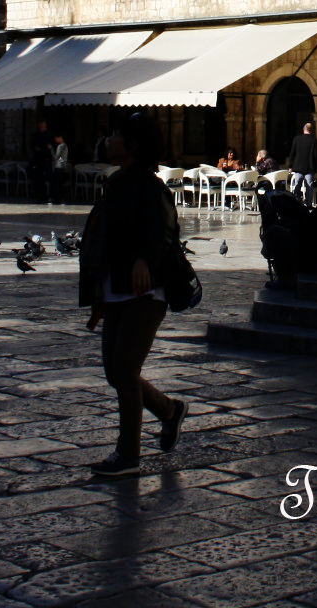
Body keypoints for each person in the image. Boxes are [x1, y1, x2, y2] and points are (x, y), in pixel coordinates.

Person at [80, 112, 190, 477]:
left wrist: (145, 259)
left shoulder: (150, 187)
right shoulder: (117, 182)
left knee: (126, 370)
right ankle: (170, 411)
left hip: (146, 291)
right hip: (116, 289)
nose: (109, 140)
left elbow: (164, 228)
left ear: (134, 144)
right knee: (115, 372)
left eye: (116, 135)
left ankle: (127, 454)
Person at [286, 121, 317, 202]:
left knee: (297, 185)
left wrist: (291, 165)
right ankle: (309, 204)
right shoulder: (314, 140)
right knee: (309, 186)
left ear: (303, 129)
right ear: (312, 130)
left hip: (298, 166)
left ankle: (296, 202)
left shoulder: (297, 139)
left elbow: (293, 153)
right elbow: (316, 155)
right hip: (310, 167)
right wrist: (316, 166)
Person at [50, 134, 71, 205]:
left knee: (57, 183)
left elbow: (56, 157)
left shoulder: (61, 146)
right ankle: (60, 198)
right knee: (59, 183)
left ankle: (58, 198)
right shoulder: (65, 146)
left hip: (58, 166)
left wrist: (51, 150)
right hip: (62, 166)